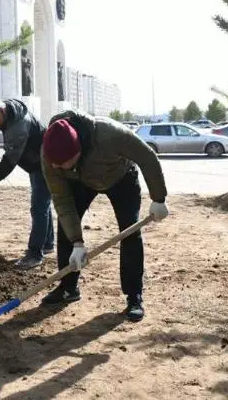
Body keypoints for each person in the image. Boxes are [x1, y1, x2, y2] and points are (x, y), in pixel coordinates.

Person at [40, 110, 169, 322]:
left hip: (121, 177)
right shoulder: (49, 154)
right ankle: (68, 287)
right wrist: (77, 242)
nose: (55, 167)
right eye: (53, 163)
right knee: (65, 228)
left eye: (61, 163)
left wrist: (158, 198)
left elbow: (146, 157)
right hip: (81, 181)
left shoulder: (109, 134)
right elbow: (61, 199)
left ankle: (134, 295)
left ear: (78, 150)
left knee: (130, 232)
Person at [0, 94, 54, 269]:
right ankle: (47, 243)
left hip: (44, 163)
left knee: (38, 207)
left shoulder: (18, 128)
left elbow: (7, 165)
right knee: (42, 205)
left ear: (1, 111)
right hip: (36, 160)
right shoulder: (8, 110)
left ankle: (34, 255)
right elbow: (0, 121)